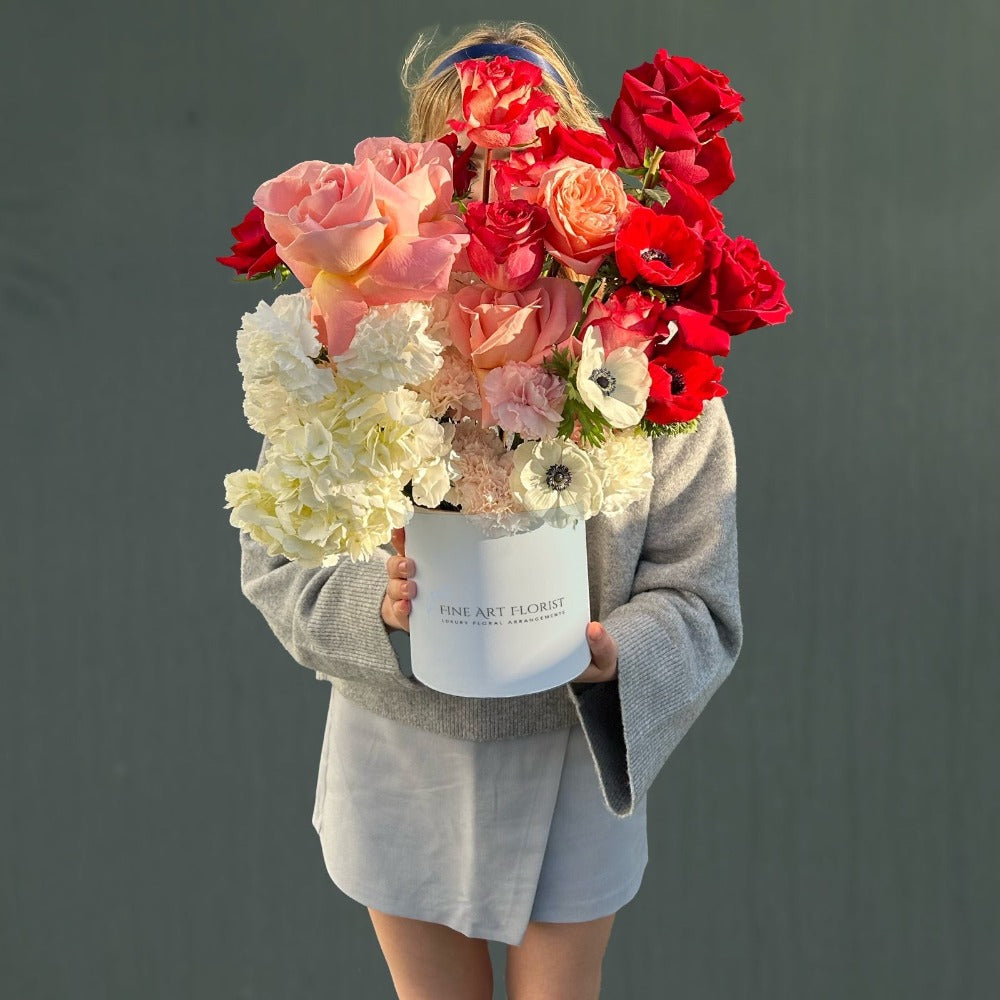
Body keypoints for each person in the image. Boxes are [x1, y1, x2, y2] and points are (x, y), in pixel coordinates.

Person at [238, 20, 743, 1000]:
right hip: (400, 750)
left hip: (567, 752)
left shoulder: (657, 354)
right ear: (417, 179)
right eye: (461, 165)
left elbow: (698, 583)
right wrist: (373, 602)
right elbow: (279, 559)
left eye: (523, 162)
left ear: (576, 172)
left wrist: (615, 654)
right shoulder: (348, 348)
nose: (491, 195)